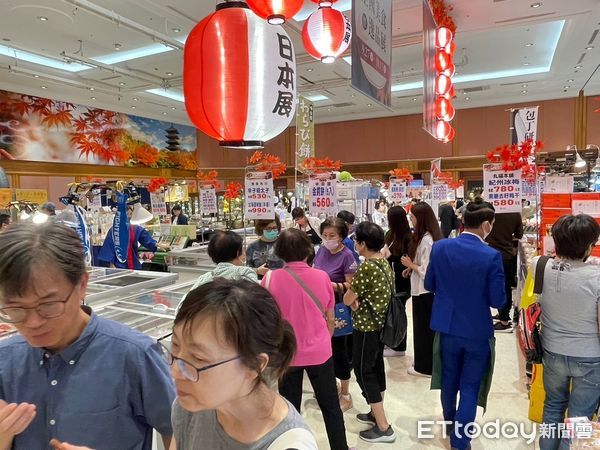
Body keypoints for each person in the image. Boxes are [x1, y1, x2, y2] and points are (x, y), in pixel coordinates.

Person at [0, 223, 175, 450]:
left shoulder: (134, 355)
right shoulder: (5, 360)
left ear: (82, 284)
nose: (33, 322)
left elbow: (180, 432)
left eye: (49, 305)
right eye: (15, 309)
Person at [164, 279, 318, 450]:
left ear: (254, 365)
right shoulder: (188, 406)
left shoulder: (288, 445)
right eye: (175, 346)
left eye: (198, 359)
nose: (175, 371)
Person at [425, 201, 506, 450]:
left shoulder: (440, 247)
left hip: (447, 326)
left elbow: (429, 284)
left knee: (448, 379)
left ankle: (450, 424)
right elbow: (498, 300)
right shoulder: (492, 256)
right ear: (485, 225)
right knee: (470, 386)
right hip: (477, 330)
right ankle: (461, 442)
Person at [263, 228, 350, 450]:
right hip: (320, 351)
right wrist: (323, 338)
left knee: (290, 409)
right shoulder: (322, 277)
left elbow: (267, 319)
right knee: (331, 406)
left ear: (280, 252)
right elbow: (330, 316)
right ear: (307, 250)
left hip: (286, 353)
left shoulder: (269, 278)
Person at [536, 215, 600, 450]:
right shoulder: (596, 277)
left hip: (552, 351)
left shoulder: (540, 265)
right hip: (590, 357)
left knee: (552, 406)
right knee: (579, 418)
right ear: (588, 245)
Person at [344, 222, 395, 444]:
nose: (355, 244)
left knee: (364, 372)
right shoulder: (384, 262)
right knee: (376, 368)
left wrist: (351, 297)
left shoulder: (366, 267)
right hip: (380, 325)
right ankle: (375, 414)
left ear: (363, 244)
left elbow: (348, 299)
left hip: (365, 327)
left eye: (357, 240)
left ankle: (383, 426)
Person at [313, 218, 358, 412]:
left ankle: (346, 393)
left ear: (341, 237)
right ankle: (331, 385)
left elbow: (352, 286)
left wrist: (332, 285)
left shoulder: (347, 256)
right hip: (319, 307)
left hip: (338, 308)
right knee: (324, 349)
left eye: (332, 236)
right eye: (324, 235)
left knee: (339, 351)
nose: (327, 239)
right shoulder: (321, 250)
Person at [401, 202, 443, 377]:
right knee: (421, 328)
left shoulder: (427, 239)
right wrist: (411, 268)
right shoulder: (425, 237)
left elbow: (428, 270)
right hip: (421, 290)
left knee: (424, 330)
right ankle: (422, 361)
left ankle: (425, 367)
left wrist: (412, 265)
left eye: (413, 217)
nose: (411, 220)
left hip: (425, 292)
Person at [485, 202, 523, 333]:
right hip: (507, 255)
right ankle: (503, 316)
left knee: (498, 286)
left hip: (490, 253)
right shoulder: (515, 213)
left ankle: (504, 320)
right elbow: (519, 235)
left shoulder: (490, 212)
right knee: (505, 286)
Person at [382, 206, 412, 357]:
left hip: (402, 279)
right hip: (391, 278)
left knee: (399, 311)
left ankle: (400, 346)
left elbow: (406, 260)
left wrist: (390, 257)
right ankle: (392, 340)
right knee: (391, 310)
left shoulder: (407, 237)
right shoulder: (390, 234)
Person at [98, 204, 165, 270]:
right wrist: (111, 265)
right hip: (119, 265)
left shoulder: (134, 228)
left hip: (133, 263)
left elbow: (145, 238)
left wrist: (156, 244)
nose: (129, 217)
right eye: (127, 214)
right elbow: (109, 249)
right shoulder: (114, 231)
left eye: (130, 214)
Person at [187, 230, 257, 292]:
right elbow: (254, 299)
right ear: (238, 253)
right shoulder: (245, 273)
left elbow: (185, 302)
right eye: (242, 250)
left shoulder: (203, 278)